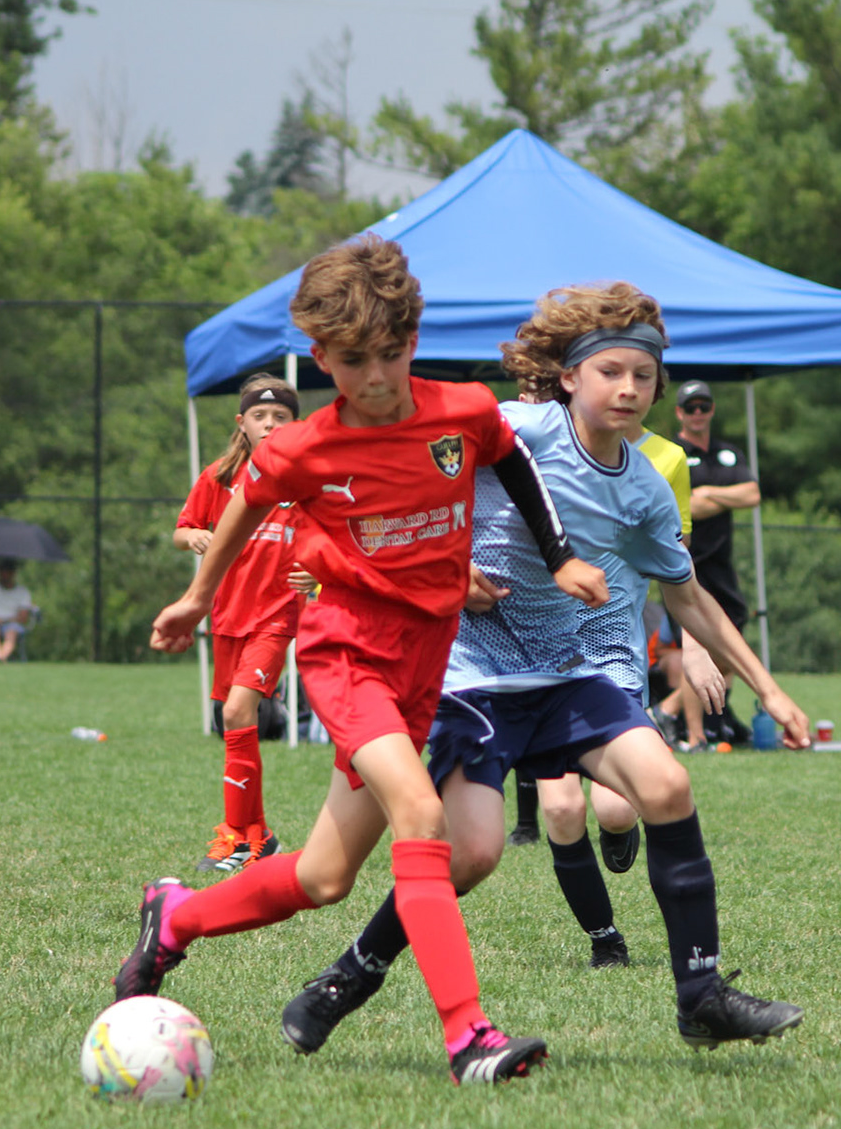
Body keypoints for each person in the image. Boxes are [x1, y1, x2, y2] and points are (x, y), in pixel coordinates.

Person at [114, 234, 609, 1086]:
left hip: (424, 661)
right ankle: (469, 1038)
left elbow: (512, 461)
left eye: (389, 354)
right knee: (420, 814)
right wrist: (198, 597)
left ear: (412, 340)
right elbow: (243, 504)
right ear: (320, 359)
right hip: (346, 653)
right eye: (352, 362)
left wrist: (559, 556)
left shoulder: (462, 411)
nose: (375, 378)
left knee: (323, 876)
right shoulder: (302, 447)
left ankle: (176, 918)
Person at [280, 281, 811, 1058]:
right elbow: (409, 484)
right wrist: (446, 567)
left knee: (666, 786)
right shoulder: (512, 429)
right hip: (469, 675)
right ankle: (350, 974)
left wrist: (771, 691)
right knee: (472, 855)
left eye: (643, 376)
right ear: (568, 377)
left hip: (566, 675)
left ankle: (701, 996)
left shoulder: (644, 487)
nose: (628, 388)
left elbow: (688, 596)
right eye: (610, 372)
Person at [505, 399, 692, 851]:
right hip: (546, 649)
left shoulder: (662, 461)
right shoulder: (520, 440)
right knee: (561, 809)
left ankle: (620, 828)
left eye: (640, 376)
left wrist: (698, 648)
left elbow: (681, 570)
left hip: (613, 644)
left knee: (617, 810)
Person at [173, 372, 304, 874]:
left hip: (276, 616)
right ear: (241, 422)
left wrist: (318, 571)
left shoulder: (303, 480)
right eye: (259, 415)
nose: (269, 424)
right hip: (227, 615)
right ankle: (257, 835)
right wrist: (194, 537)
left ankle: (235, 836)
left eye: (281, 416)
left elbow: (330, 535)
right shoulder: (221, 476)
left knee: (236, 712)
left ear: (296, 424)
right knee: (234, 721)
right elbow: (182, 529)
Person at [657, 379, 760, 749]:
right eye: (691, 408)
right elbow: (686, 508)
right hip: (686, 567)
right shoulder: (672, 454)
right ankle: (697, 735)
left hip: (721, 567)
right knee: (698, 649)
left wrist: (709, 493)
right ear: (679, 413)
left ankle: (667, 710)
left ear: (712, 409)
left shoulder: (728, 453)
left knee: (729, 650)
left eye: (704, 406)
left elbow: (752, 494)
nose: (698, 413)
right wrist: (719, 498)